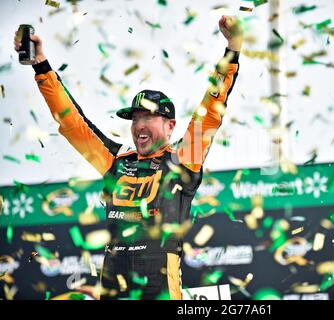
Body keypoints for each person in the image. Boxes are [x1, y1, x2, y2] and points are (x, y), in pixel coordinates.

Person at [14, 15, 242, 300]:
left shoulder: (184, 157)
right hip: (113, 281)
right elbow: (71, 122)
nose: (139, 126)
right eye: (135, 118)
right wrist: (41, 64)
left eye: (148, 116)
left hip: (159, 284)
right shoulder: (116, 159)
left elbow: (211, 109)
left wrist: (233, 48)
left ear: (170, 126)